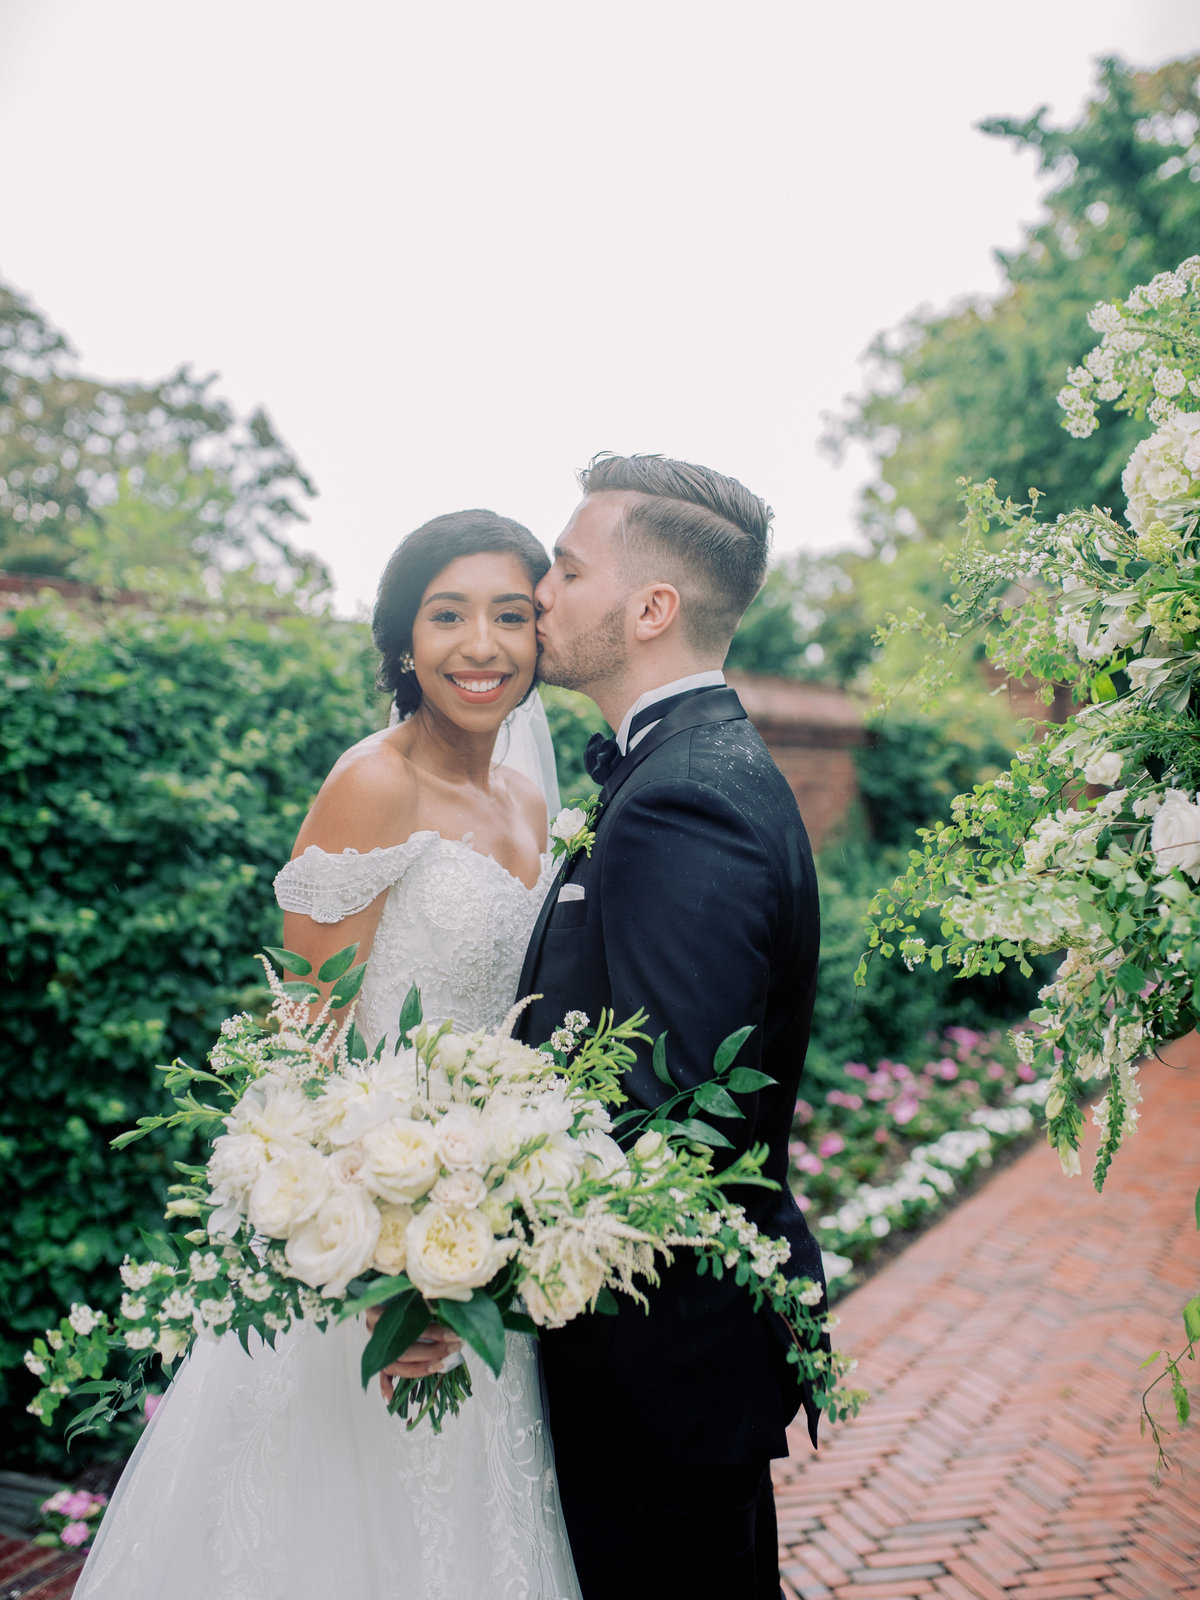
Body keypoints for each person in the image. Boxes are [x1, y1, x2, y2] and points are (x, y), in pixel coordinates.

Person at [73, 509, 582, 1600]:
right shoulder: (373, 783)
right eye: (447, 615)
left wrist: (495, 1211)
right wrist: (370, 1263)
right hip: (366, 1249)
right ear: (404, 640)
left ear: (542, 636)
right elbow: (301, 1047)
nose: (480, 645)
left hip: (479, 1234)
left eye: (508, 614)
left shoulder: (535, 800)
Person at [517, 454, 824, 1600]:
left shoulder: (686, 798)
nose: (541, 590)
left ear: (651, 608)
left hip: (652, 1374)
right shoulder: (685, 769)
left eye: (567, 566)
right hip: (671, 1375)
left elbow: (669, 1120)